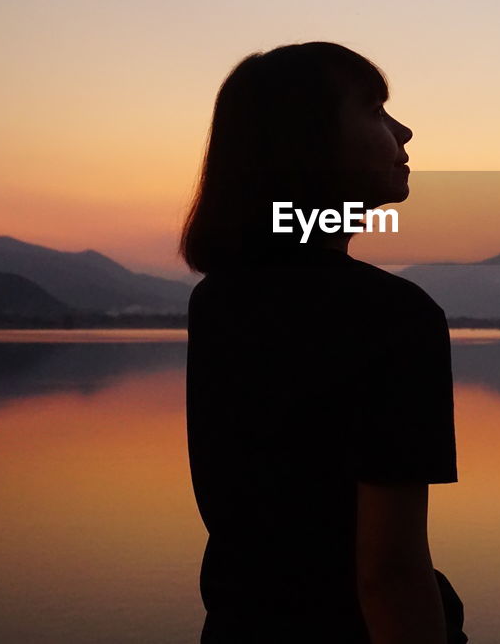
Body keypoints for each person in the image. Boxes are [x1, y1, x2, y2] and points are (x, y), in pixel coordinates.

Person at [179, 41, 468, 643]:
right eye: (375, 110)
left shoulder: (217, 300)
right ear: (306, 143)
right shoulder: (393, 316)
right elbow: (387, 575)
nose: (404, 131)